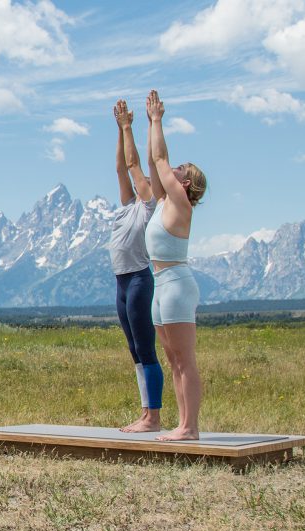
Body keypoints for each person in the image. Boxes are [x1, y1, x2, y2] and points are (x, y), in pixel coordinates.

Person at [145, 90, 208, 441]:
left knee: (184, 359)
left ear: (185, 184)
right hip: (161, 284)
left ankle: (190, 427)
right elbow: (154, 164)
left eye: (179, 170)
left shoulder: (180, 201)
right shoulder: (165, 201)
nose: (174, 168)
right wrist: (141, 126)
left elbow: (159, 156)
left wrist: (157, 120)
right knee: (173, 360)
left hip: (177, 285)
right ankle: (183, 424)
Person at [109, 99, 164, 432]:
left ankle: (153, 416)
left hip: (140, 280)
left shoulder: (150, 204)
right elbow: (120, 168)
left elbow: (132, 163)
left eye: (144, 178)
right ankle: (145, 412)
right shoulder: (129, 204)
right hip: (121, 282)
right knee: (133, 349)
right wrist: (119, 130)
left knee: (145, 346)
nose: (138, 178)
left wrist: (130, 126)